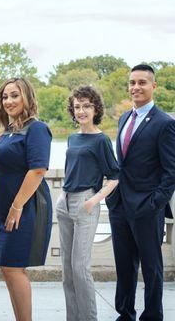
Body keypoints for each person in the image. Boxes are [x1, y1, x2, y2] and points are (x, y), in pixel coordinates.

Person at [106, 64, 175, 321]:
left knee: (151, 267)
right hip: (120, 205)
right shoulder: (125, 118)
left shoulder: (165, 123)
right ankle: (125, 313)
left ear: (153, 86)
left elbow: (171, 172)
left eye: (142, 82)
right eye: (132, 82)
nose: (136, 87)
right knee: (124, 266)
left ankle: (153, 316)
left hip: (146, 207)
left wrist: (154, 203)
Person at [0, 77, 53, 321]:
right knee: (8, 268)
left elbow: (37, 171)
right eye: (5, 97)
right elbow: (1, 168)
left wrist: (16, 206)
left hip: (25, 208)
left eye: (15, 95)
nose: (9, 101)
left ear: (27, 97)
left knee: (15, 268)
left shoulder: (36, 129)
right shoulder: (7, 132)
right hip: (2, 208)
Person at [56, 86, 119, 321]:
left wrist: (93, 200)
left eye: (86, 106)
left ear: (96, 109)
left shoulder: (101, 140)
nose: (81, 111)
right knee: (67, 272)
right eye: (77, 107)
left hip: (85, 202)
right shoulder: (72, 138)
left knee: (80, 269)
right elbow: (73, 169)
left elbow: (115, 176)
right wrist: (63, 195)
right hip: (65, 202)